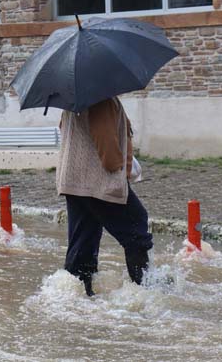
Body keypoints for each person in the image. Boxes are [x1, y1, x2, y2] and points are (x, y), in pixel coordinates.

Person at [56, 97, 153, 297]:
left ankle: (75, 297)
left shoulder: (72, 100)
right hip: (97, 180)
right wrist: (119, 165)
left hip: (73, 181)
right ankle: (146, 292)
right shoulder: (102, 100)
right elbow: (108, 151)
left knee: (83, 242)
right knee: (136, 228)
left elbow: (64, 129)